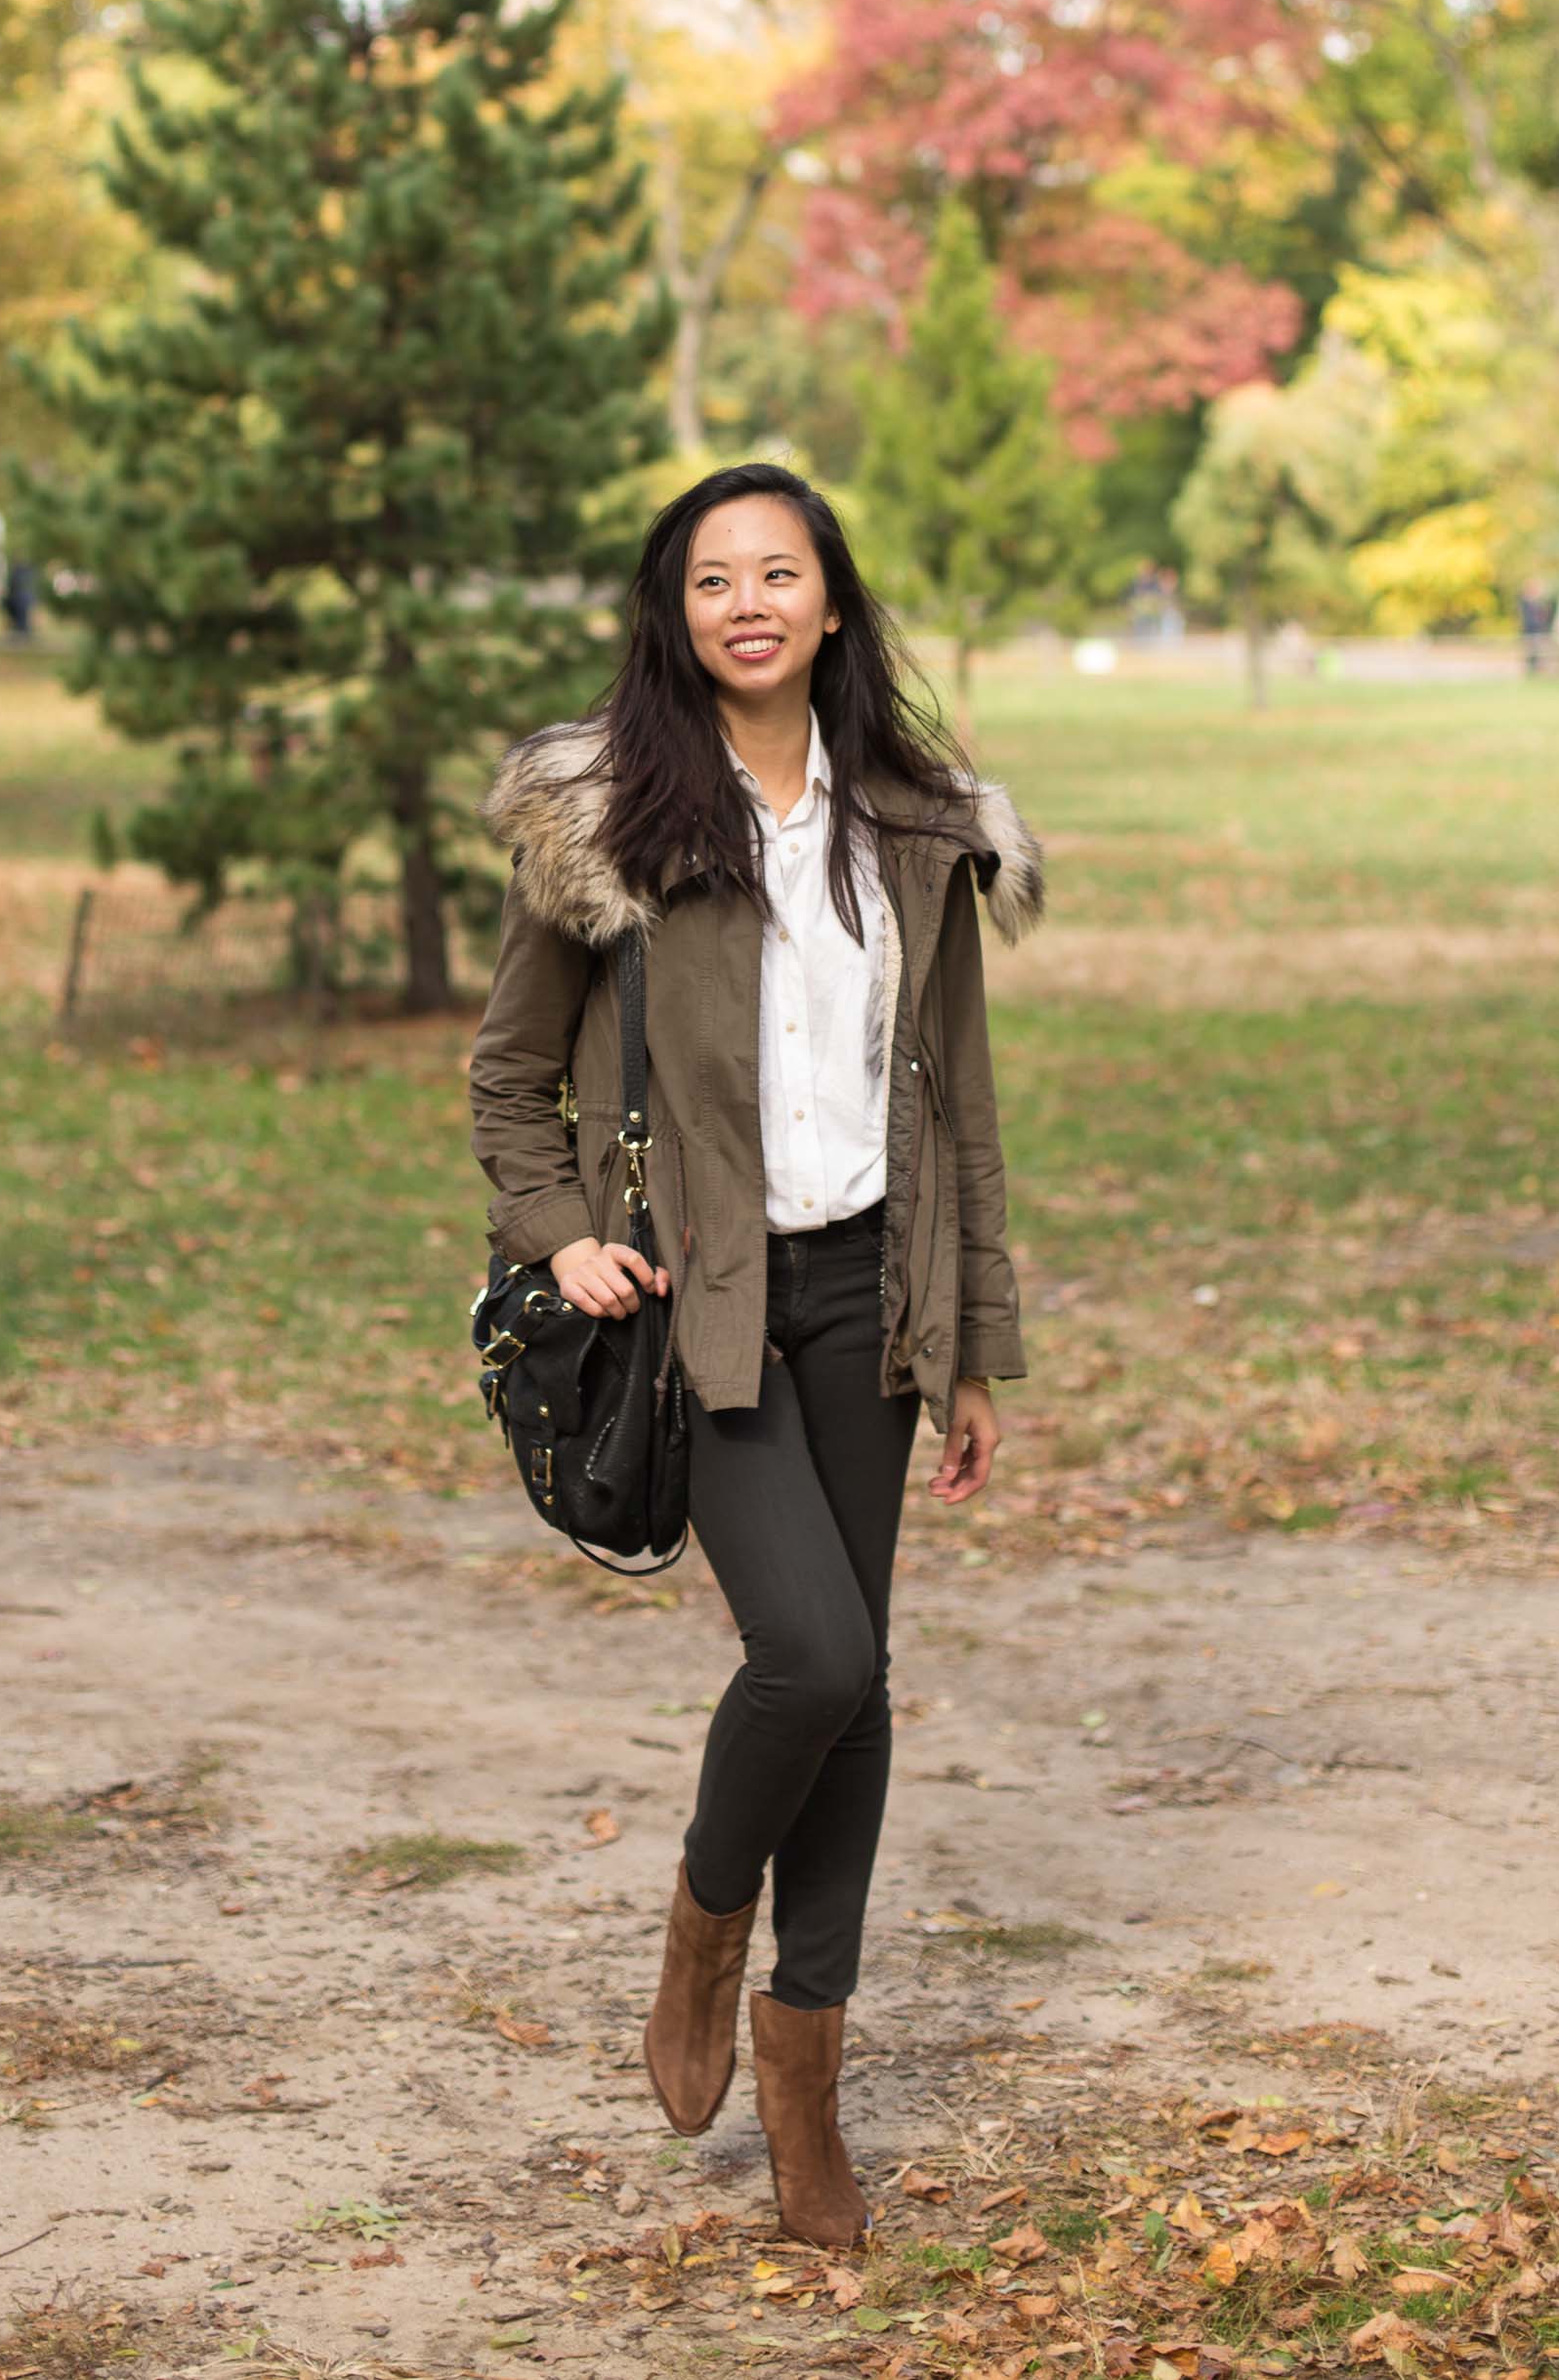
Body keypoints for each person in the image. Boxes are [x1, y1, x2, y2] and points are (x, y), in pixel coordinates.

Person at [468, 463, 1042, 2255]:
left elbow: (960, 1103)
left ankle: (811, 2103)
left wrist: (980, 1345)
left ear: (831, 605)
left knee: (857, 1684)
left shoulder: (920, 827)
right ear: (677, 612)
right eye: (712, 578)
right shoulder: (611, 822)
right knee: (812, 1653)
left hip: (874, 1292)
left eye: (777, 573)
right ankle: (706, 1920)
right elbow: (510, 1076)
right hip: (697, 1310)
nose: (746, 603)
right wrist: (561, 1232)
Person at [1517, 577, 1557, 677]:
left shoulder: (1536, 602)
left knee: (1539, 653)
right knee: (1532, 653)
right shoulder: (1526, 602)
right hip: (1531, 631)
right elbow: (1529, 619)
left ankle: (1537, 671)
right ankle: (1532, 671)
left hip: (1538, 631)